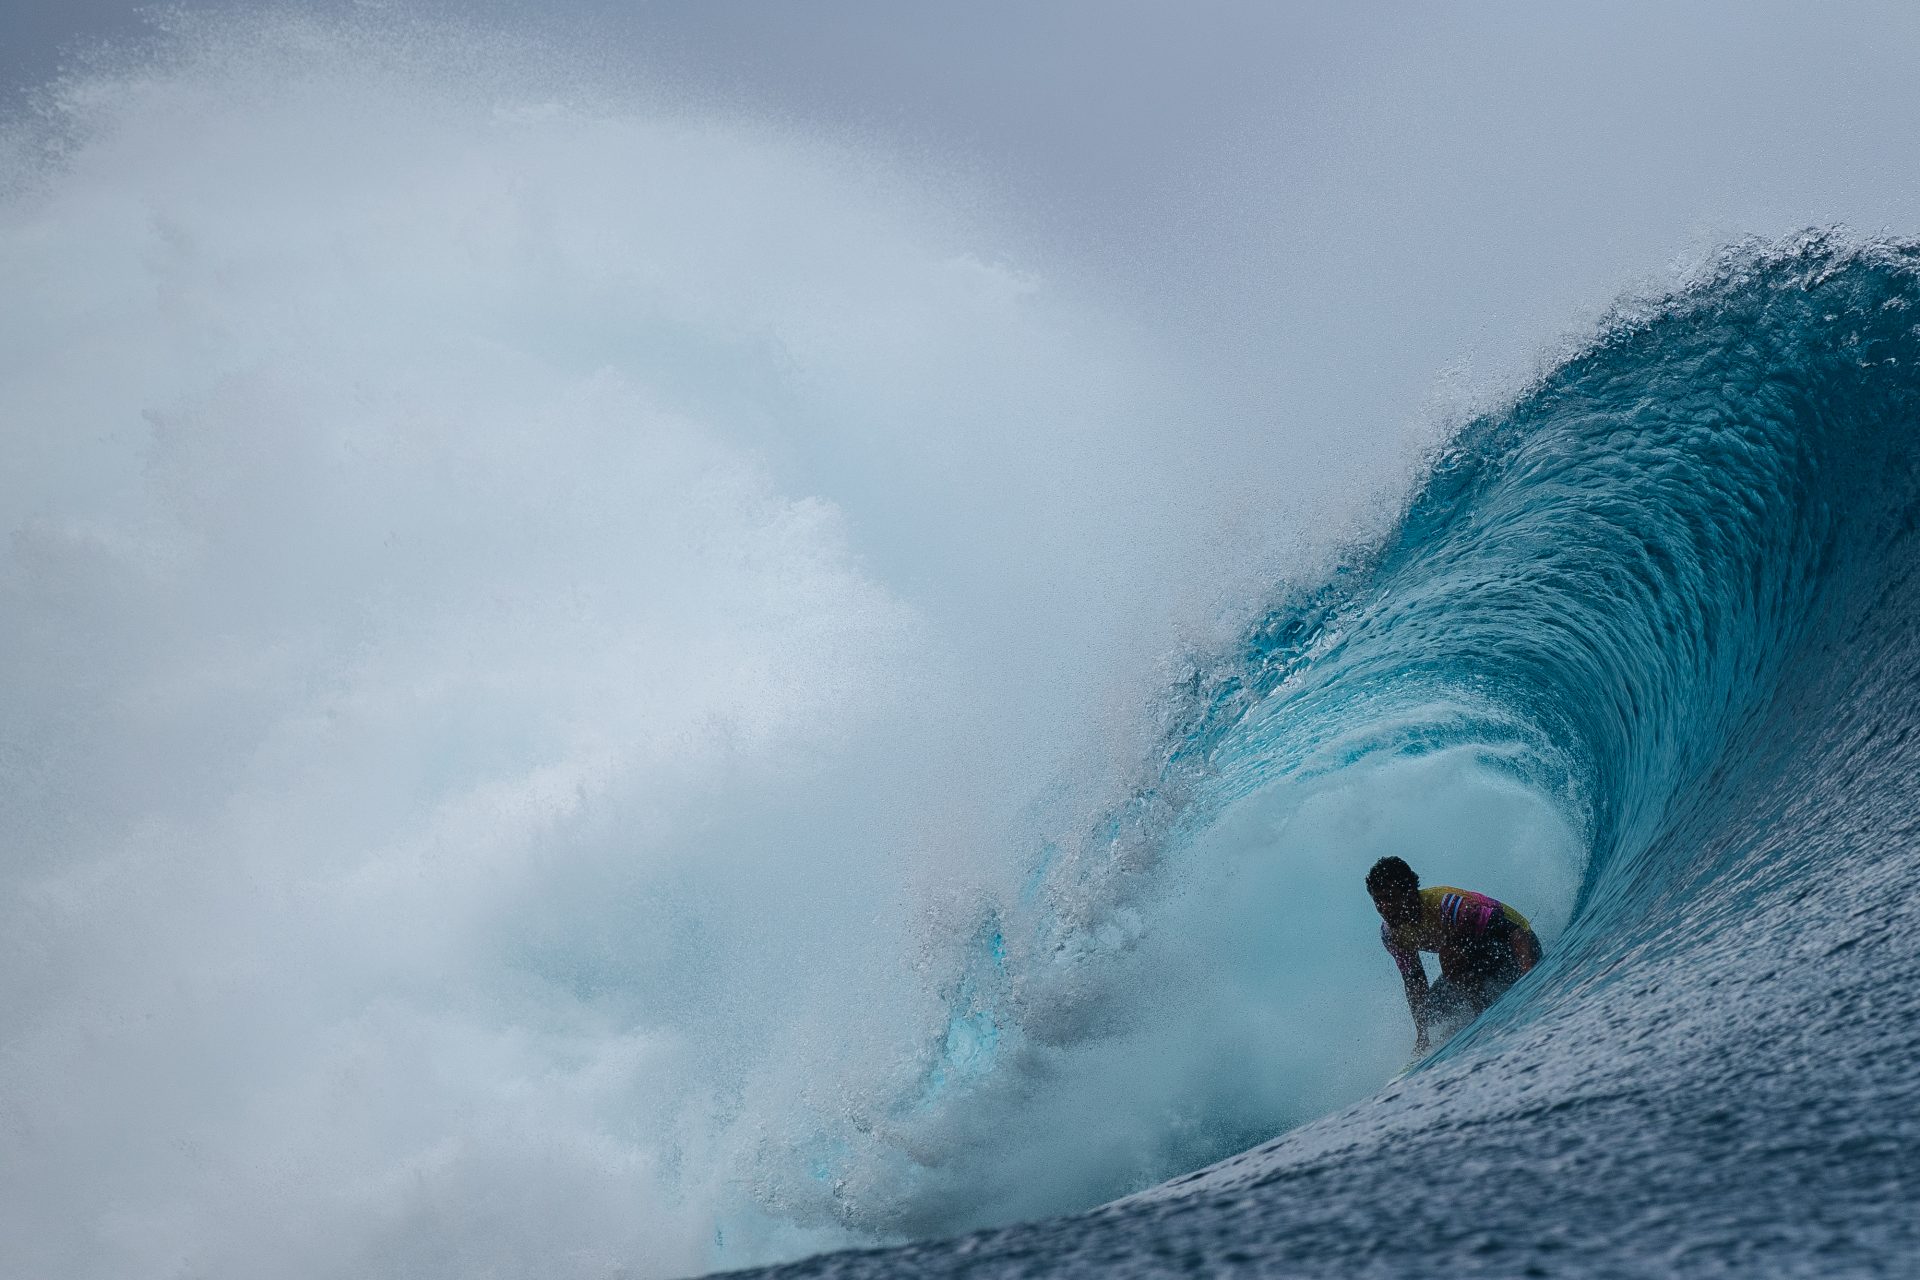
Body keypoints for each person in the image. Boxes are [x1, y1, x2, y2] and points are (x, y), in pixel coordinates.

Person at [1366, 855, 1541, 1056]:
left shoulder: (1449, 905)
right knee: (1432, 1013)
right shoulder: (1391, 934)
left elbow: (1516, 933)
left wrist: (1530, 978)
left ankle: (1482, 1013)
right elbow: (1414, 982)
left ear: (1409, 893)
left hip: (1515, 950)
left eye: (1390, 898)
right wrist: (1423, 1036)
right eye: (1378, 900)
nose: (1384, 908)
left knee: (1450, 957)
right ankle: (1474, 1018)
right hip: (1482, 965)